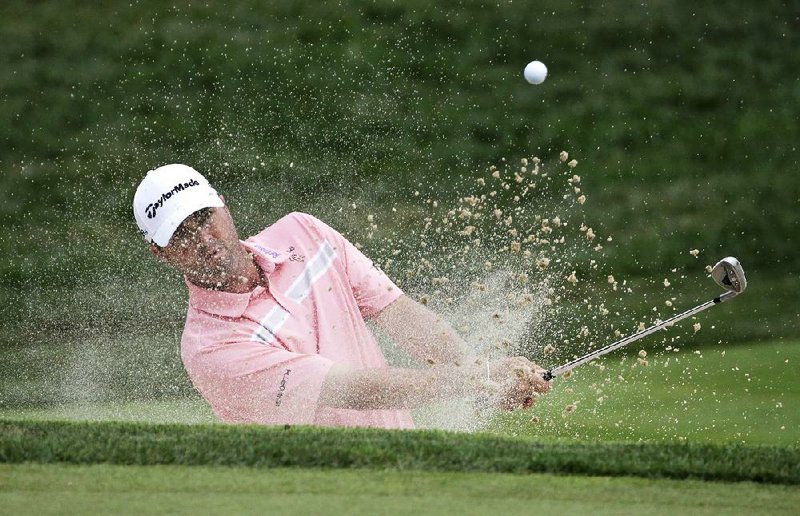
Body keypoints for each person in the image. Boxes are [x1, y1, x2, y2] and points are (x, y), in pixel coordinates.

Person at [133, 164, 551, 428]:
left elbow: (399, 313)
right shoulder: (210, 349)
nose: (204, 240)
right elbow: (348, 389)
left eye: (205, 218)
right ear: (160, 253)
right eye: (180, 234)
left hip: (408, 473)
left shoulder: (304, 232)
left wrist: (481, 371)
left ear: (222, 205)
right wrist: (472, 382)